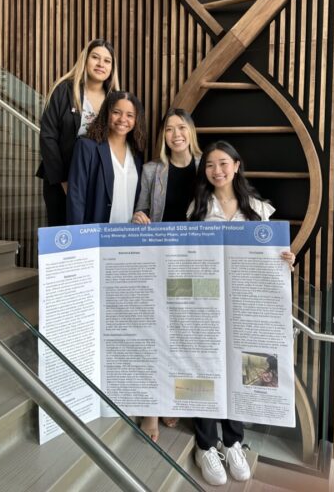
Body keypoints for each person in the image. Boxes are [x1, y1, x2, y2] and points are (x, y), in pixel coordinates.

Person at [189, 140, 295, 486]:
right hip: (206, 304)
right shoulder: (197, 208)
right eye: (209, 165)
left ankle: (233, 440)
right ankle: (206, 445)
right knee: (206, 369)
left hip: (246, 308)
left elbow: (271, 263)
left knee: (241, 370)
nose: (216, 171)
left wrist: (287, 262)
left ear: (237, 165)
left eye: (222, 163)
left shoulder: (260, 210)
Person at [132, 107, 202, 442]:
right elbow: (142, 209)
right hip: (159, 262)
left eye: (181, 127)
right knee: (156, 333)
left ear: (190, 131)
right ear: (164, 136)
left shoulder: (208, 167)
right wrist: (138, 217)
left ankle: (174, 398)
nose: (176, 134)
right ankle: (151, 411)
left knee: (185, 336)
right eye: (170, 129)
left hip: (195, 264)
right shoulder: (151, 170)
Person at [36, 39, 119, 226]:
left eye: (107, 61)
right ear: (85, 60)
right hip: (60, 180)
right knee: (63, 237)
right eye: (95, 57)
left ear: (112, 68)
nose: (100, 64)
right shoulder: (64, 90)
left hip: (97, 181)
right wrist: (64, 180)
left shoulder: (114, 99)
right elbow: (48, 136)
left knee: (91, 237)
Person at [67, 91, 146, 225]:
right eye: (116, 112)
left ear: (136, 120)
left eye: (130, 115)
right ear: (106, 113)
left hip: (127, 237)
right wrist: (78, 238)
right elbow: (76, 197)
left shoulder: (136, 154)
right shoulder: (86, 147)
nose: (122, 119)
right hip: (95, 237)